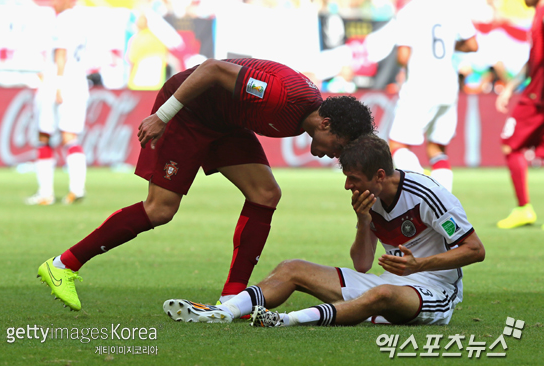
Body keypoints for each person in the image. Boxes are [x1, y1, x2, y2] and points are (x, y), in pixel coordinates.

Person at [37, 57, 375, 311]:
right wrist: (163, 115)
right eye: (339, 146)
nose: (336, 155)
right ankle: (62, 266)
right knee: (160, 209)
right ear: (326, 124)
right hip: (189, 113)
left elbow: (241, 62)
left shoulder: (307, 112)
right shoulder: (279, 96)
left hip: (225, 121)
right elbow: (213, 69)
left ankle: (232, 298)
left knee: (266, 193)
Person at [163, 134, 485, 327]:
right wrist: (363, 222)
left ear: (380, 175)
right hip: (392, 282)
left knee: (382, 294)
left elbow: (475, 250)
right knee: (292, 269)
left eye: (353, 178)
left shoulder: (427, 195)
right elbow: (362, 264)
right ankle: (223, 312)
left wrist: (419, 265)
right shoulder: (369, 198)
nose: (347, 185)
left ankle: (288, 321)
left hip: (436, 292)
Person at [387, 0, 478, 192]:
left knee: (397, 143)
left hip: (420, 85)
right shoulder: (454, 8)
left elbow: (403, 56)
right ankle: (444, 203)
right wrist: (450, 46)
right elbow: (472, 44)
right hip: (448, 86)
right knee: (437, 148)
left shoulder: (409, 12)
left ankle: (423, 185)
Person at [25, 0, 89, 206]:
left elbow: (60, 52)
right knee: (70, 136)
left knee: (44, 134)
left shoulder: (63, 20)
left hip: (59, 82)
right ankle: (76, 189)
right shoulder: (82, 20)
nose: (53, 3)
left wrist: (58, 84)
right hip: (79, 82)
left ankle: (46, 194)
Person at [494, 0, 544, 229]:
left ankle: (524, 208)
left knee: (510, 145)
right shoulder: (537, 15)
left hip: (537, 98)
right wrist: (511, 87)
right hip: (534, 93)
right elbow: (533, 61)